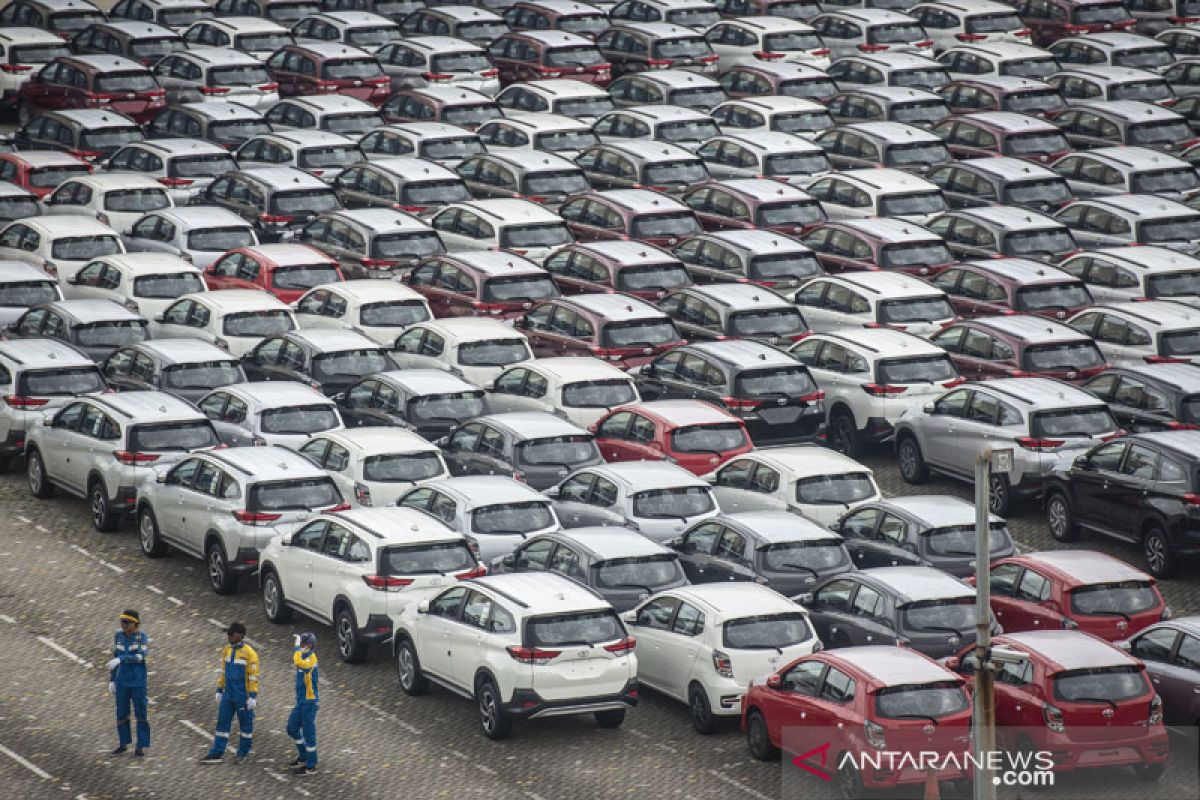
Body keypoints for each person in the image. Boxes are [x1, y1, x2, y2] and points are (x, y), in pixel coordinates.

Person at [200, 622, 259, 765]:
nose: (229, 637)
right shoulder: (227, 650)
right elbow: (223, 671)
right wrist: (219, 689)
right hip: (228, 693)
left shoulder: (250, 654)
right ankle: (216, 753)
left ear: (239, 635)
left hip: (242, 695)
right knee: (222, 723)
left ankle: (242, 753)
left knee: (245, 725)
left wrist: (252, 696)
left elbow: (253, 677)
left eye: (231, 634)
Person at [107, 610, 149, 757]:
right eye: (122, 622)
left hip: (137, 681)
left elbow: (139, 656)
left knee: (141, 713)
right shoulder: (118, 635)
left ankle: (140, 746)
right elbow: (115, 658)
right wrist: (112, 680)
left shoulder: (141, 637)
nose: (124, 625)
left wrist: (121, 660)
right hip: (122, 680)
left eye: (127, 622)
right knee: (121, 712)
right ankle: (123, 744)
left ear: (135, 624)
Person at [286, 632, 319, 776]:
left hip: (309, 702)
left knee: (309, 734)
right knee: (291, 728)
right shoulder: (303, 656)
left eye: (303, 644)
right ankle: (303, 755)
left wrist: (296, 649)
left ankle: (311, 765)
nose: (301, 647)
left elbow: (297, 662)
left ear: (310, 645)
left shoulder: (311, 659)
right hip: (301, 701)